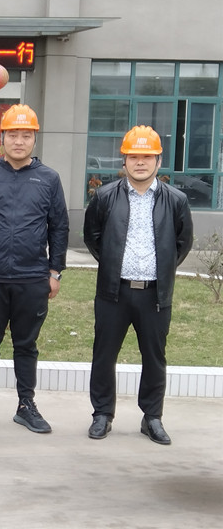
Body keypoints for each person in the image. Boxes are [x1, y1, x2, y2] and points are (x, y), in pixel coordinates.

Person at [0, 104, 69, 434]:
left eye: (26, 135)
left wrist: (55, 271)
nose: (19, 141)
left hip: (32, 277)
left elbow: (59, 227)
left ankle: (26, 405)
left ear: (34, 139)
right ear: (2, 138)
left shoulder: (48, 179)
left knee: (26, 345)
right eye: (13, 135)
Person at [83, 126, 193, 445]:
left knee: (155, 358)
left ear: (158, 160)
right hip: (113, 293)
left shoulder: (176, 200)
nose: (140, 162)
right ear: (124, 161)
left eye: (147, 156)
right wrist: (114, 265)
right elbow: (93, 237)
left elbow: (183, 242)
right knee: (104, 355)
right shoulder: (105, 196)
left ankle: (152, 417)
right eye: (134, 156)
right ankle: (102, 414)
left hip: (155, 294)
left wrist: (162, 269)